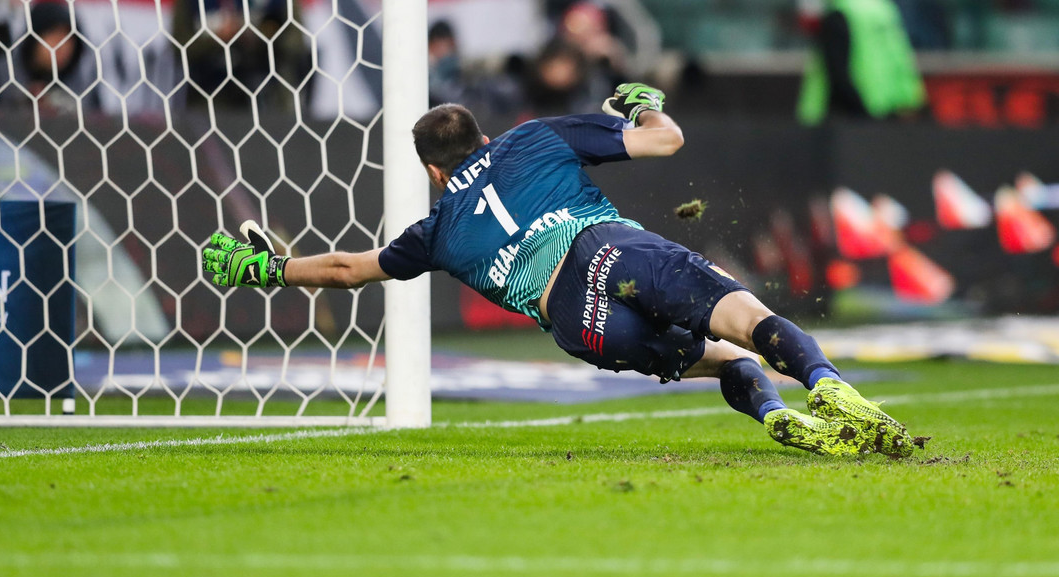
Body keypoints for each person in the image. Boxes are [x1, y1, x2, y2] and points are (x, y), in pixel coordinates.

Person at [202, 83, 915, 457]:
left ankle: (772, 414)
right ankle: (828, 388)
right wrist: (644, 104)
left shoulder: (435, 230)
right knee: (745, 319)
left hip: (577, 322)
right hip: (605, 250)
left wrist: (267, 269)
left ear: (430, 170)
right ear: (482, 137)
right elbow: (665, 142)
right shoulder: (533, 138)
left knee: (718, 359)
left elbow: (346, 270)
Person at [797, 0, 926, 125]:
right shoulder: (884, 9)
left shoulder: (840, 13)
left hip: (849, 118)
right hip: (887, 108)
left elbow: (838, 73)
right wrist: (911, 100)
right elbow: (900, 58)